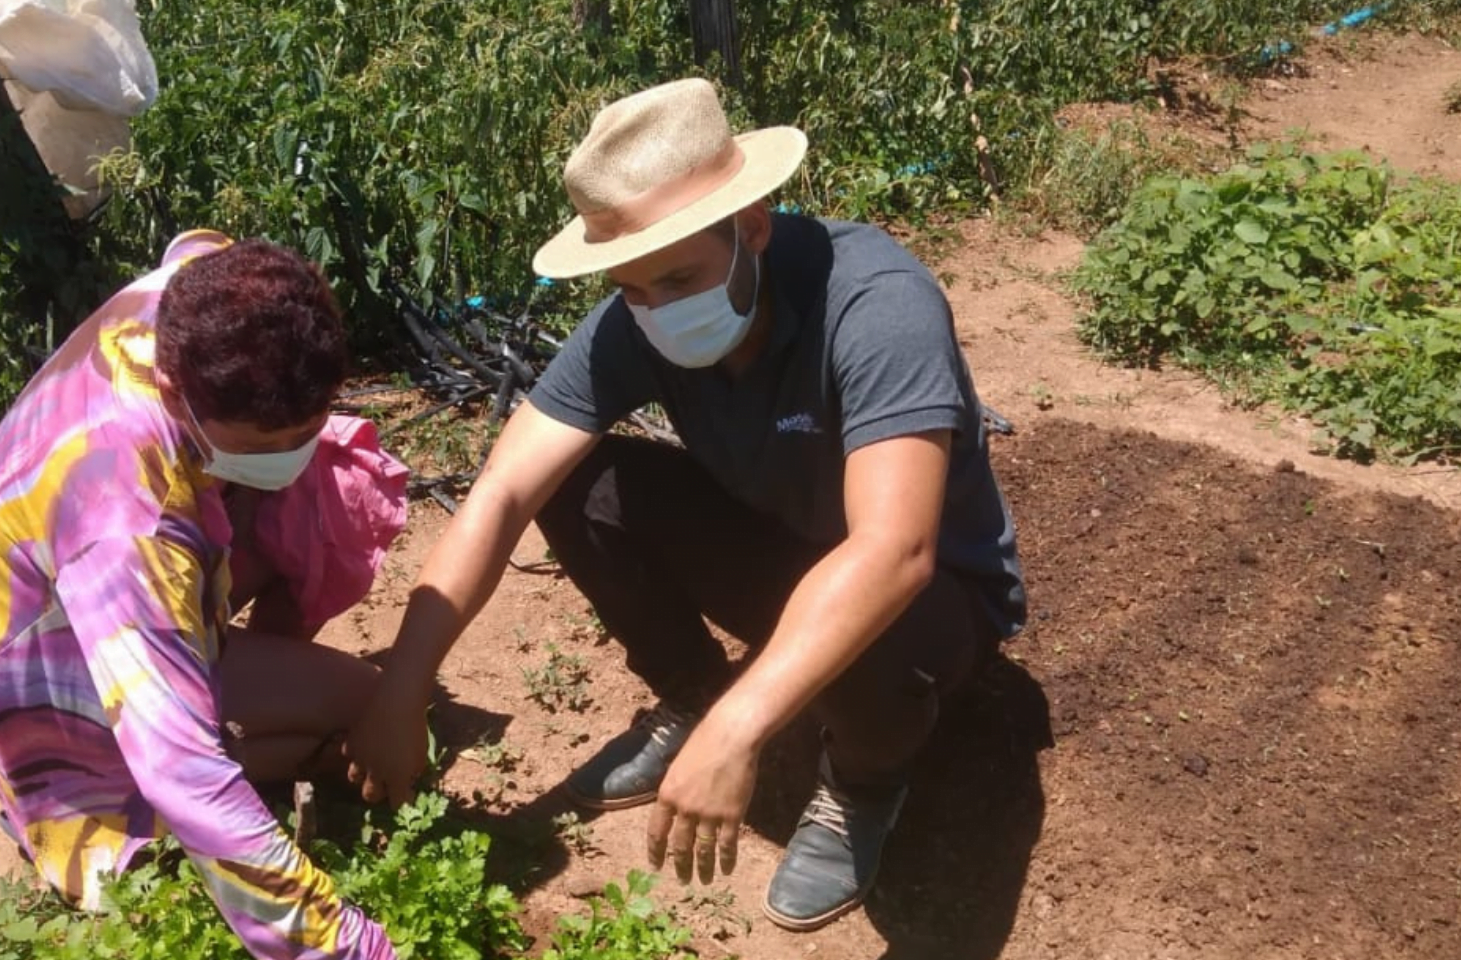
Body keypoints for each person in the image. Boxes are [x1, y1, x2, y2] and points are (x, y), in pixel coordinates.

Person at [343, 79, 1025, 931]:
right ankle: (692, 691)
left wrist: (744, 730)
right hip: (792, 548)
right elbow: (507, 485)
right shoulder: (637, 323)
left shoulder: (875, 303)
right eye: (631, 286)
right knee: (578, 487)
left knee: (875, 623)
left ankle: (863, 782)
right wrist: (403, 686)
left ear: (751, 226)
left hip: (932, 602)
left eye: (677, 276)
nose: (658, 310)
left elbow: (894, 552)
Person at [0, 230, 408, 959]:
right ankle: (78, 792)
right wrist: (344, 945)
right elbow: (183, 773)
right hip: (46, 648)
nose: (292, 455)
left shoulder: (202, 294)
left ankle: (214, 704)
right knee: (178, 803)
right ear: (175, 391)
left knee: (368, 699)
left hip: (63, 560)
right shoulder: (125, 522)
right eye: (264, 444)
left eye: (303, 429)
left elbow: (196, 245)